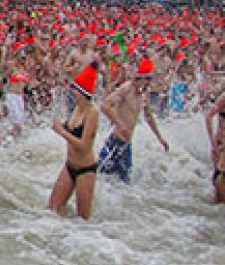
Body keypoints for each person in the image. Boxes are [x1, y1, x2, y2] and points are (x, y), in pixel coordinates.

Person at [95, 56, 171, 184]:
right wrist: (120, 124)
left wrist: (160, 138)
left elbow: (149, 118)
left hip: (126, 145)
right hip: (115, 142)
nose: (148, 83)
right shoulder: (126, 88)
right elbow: (105, 105)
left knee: (125, 183)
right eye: (146, 79)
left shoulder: (144, 94)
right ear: (139, 78)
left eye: (150, 80)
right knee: (99, 177)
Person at [49, 64, 102, 219]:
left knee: (82, 220)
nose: (72, 92)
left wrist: (62, 132)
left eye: (75, 90)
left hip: (85, 170)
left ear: (83, 93)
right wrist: (61, 126)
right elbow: (70, 129)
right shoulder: (77, 108)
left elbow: (84, 146)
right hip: (69, 165)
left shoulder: (92, 112)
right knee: (52, 209)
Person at [205, 89, 225, 204]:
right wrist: (212, 143)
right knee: (218, 180)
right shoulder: (223, 98)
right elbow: (209, 117)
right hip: (221, 144)